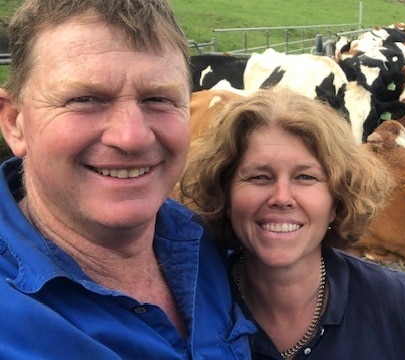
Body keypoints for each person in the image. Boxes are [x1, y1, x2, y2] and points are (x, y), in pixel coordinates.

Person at [179, 87, 405, 360]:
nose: (281, 197)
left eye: (305, 177)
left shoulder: (395, 301)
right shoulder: (189, 300)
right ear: (225, 193)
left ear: (338, 200)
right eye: (258, 177)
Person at [0, 0, 253, 358]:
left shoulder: (217, 244)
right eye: (85, 99)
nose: (132, 137)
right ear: (15, 123)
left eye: (158, 99)